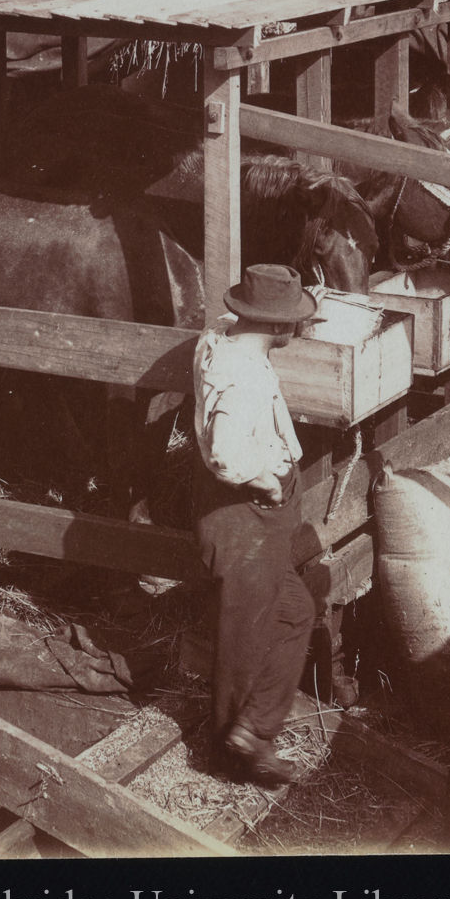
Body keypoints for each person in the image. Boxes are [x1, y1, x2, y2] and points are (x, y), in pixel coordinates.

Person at [190, 264, 320, 787]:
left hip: (243, 510)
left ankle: (251, 730)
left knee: (294, 612)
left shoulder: (221, 341)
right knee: (245, 636)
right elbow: (224, 454)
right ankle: (229, 752)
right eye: (294, 321)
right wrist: (265, 481)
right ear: (279, 327)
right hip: (245, 511)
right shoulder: (241, 373)